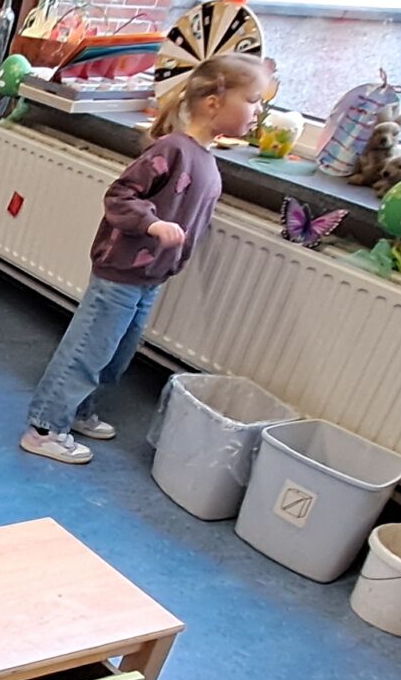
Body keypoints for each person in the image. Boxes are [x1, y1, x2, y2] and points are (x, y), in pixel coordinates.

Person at [21, 53, 272, 465]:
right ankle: (45, 427)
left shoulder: (205, 159)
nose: (258, 111)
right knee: (88, 350)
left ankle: (78, 410)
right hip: (121, 273)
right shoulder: (173, 150)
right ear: (214, 102)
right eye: (253, 100)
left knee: (117, 354)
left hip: (149, 278)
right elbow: (120, 196)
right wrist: (152, 224)